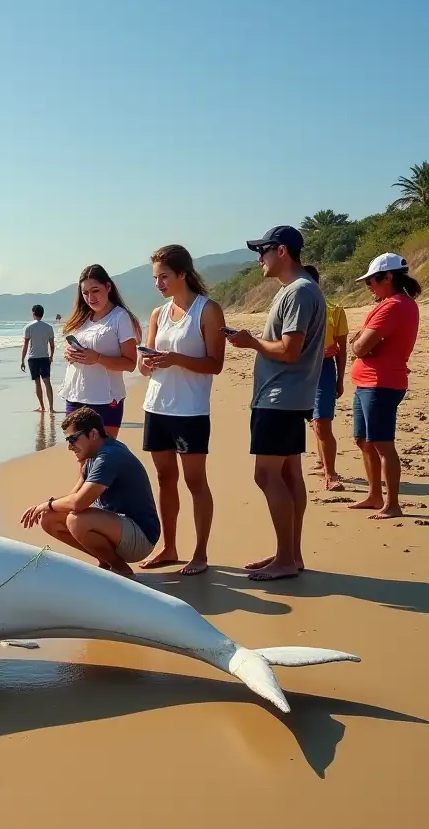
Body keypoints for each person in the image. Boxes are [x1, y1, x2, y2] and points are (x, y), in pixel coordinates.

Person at [227, 226, 326, 581]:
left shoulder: (298, 292)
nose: (259, 259)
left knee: (266, 474)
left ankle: (286, 558)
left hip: (279, 396)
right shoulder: (298, 290)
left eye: (263, 251)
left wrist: (251, 343)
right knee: (288, 474)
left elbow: (289, 350)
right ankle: (291, 554)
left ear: (282, 251)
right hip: (289, 395)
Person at [138, 245, 227, 576]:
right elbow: (144, 365)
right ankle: (169, 547)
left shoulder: (208, 310)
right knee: (164, 479)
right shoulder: (158, 314)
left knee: (195, 481)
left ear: (182, 275)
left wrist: (176, 359)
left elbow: (215, 364)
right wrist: (146, 362)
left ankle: (200, 552)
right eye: (155, 278)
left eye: (163, 277)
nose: (158, 284)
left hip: (190, 410)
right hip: (156, 405)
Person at [21, 406, 160, 579]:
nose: (70, 447)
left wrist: (47, 504)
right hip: (119, 528)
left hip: (141, 537)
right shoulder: (92, 457)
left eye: (73, 439)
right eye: (68, 441)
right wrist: (47, 506)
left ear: (93, 434)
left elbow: (78, 503)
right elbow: (73, 496)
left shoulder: (109, 456)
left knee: (76, 520)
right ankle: (106, 560)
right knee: (49, 518)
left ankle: (121, 570)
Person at [347, 252, 422, 519]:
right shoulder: (394, 303)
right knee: (364, 439)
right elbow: (362, 344)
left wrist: (359, 345)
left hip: (380, 383)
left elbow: (359, 345)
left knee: (382, 442)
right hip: (368, 381)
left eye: (372, 281)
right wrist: (361, 344)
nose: (369, 286)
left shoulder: (394, 306)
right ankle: (374, 495)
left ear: (388, 277)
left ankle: (392, 503)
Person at [58, 264, 141, 437]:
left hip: (105, 399)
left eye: (95, 290)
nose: (90, 297)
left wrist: (97, 358)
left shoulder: (120, 318)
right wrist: (69, 353)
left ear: (108, 287)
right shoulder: (80, 318)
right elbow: (74, 349)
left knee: (103, 457)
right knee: (81, 456)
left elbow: (130, 363)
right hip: (74, 395)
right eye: (85, 293)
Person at [303, 264, 349, 491]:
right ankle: (322, 461)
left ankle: (331, 474)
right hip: (299, 369)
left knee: (322, 421)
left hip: (324, 368)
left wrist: (340, 379)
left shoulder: (334, 309)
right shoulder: (291, 308)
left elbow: (342, 347)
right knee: (313, 420)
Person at [20, 304, 56, 413]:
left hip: (33, 358)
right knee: (47, 382)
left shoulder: (29, 327)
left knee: (37, 383)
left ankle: (42, 406)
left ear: (33, 313)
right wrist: (51, 356)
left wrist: (22, 360)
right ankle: (51, 408)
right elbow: (52, 344)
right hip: (44, 357)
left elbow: (25, 345)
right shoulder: (48, 327)